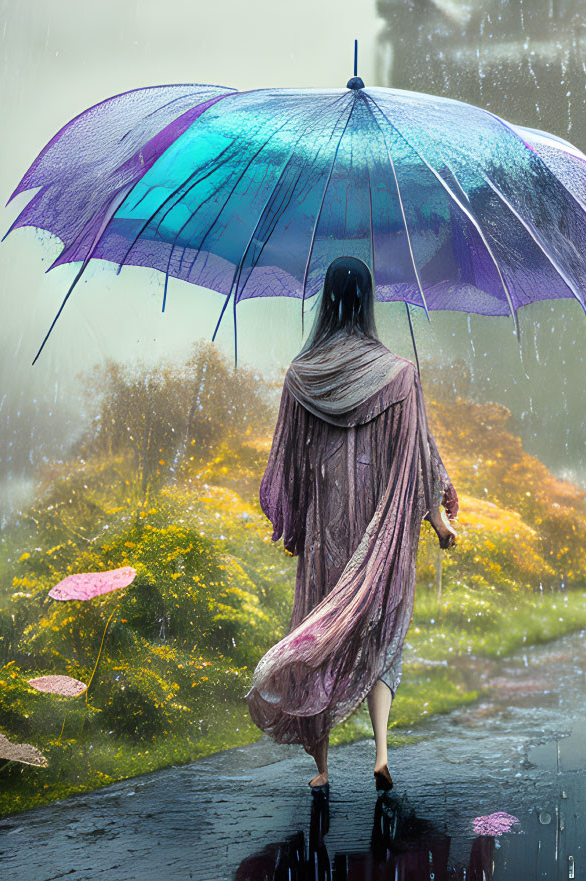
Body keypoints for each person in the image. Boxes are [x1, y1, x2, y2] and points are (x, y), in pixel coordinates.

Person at [246, 256, 458, 793]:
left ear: (326, 300)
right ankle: (381, 751)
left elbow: (288, 459)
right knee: (381, 634)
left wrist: (294, 521)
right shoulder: (400, 375)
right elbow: (419, 455)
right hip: (379, 530)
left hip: (327, 526)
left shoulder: (302, 377)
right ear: (367, 301)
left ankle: (321, 767)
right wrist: (436, 519)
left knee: (318, 632)